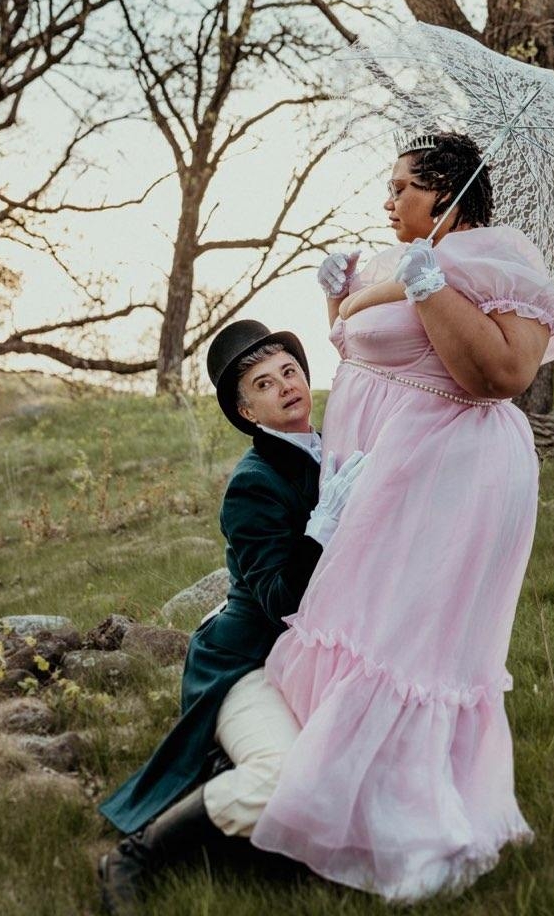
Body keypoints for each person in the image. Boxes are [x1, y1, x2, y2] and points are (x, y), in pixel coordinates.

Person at [250, 131, 554, 901]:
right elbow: (367, 352)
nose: (388, 200)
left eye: (402, 187)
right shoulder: (403, 258)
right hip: (380, 470)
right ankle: (330, 798)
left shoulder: (501, 261)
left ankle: (405, 825)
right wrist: (338, 299)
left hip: (450, 477)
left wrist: (431, 286)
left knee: (404, 641)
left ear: (446, 193)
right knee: (356, 623)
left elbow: (498, 375)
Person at [97, 321, 365, 912]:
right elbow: (281, 599)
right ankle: (136, 855)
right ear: (246, 412)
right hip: (248, 661)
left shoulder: (337, 447)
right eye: (264, 384)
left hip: (320, 653)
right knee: (282, 774)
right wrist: (323, 526)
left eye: (289, 371)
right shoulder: (252, 484)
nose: (286, 386)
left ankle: (242, 815)